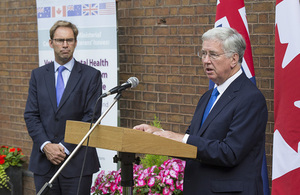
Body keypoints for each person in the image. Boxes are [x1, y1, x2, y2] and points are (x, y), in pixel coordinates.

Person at [134, 27, 268, 194]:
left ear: (234, 59)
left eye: (213, 54)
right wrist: (159, 134)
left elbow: (230, 152)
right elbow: (192, 141)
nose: (206, 60)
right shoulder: (207, 97)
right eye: (203, 54)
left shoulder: (250, 98)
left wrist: (178, 137)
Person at [24, 20, 102, 195]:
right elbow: (31, 115)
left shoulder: (91, 76)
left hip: (77, 163)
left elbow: (91, 117)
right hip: (44, 163)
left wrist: (64, 147)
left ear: (75, 42)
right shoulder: (38, 75)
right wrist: (46, 146)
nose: (65, 45)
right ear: (51, 43)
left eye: (70, 40)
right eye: (60, 40)